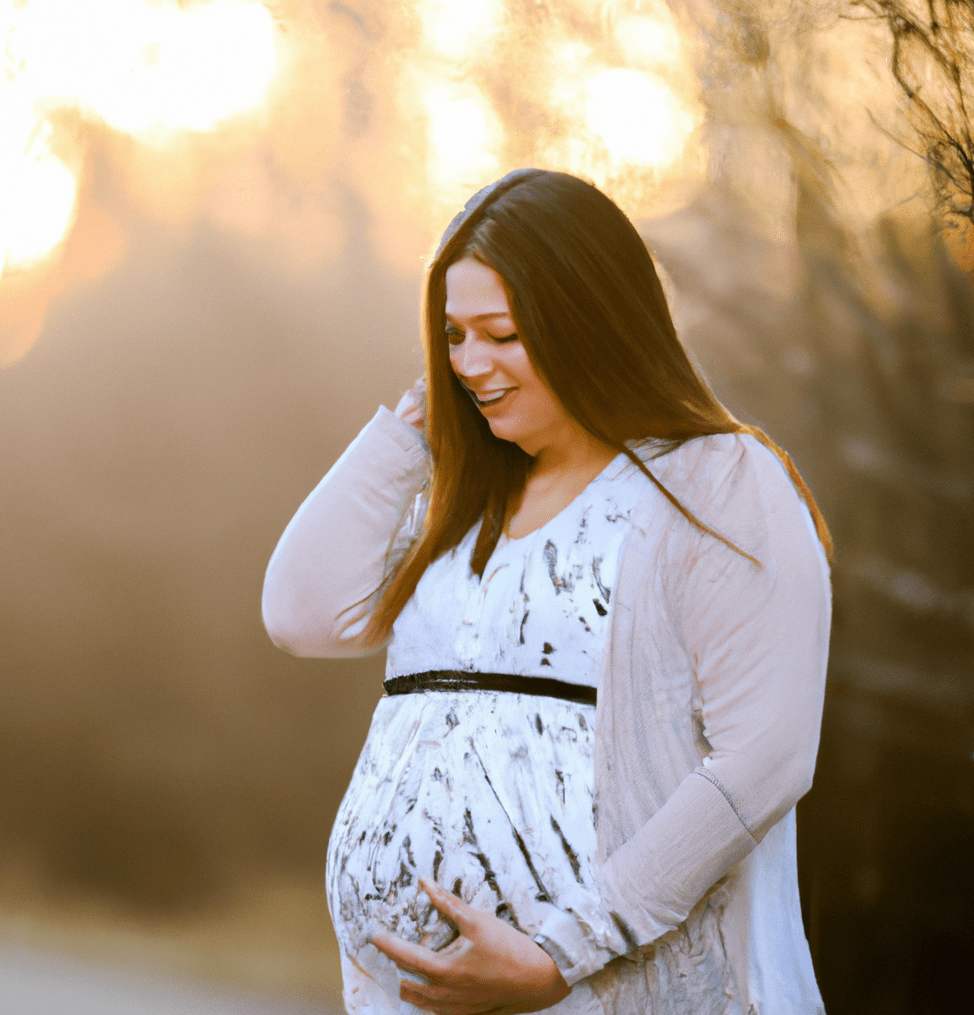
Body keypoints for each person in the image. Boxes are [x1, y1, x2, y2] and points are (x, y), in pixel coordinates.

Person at [262, 169, 833, 1015]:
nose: (468, 364)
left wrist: (564, 953)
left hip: (609, 988)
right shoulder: (462, 501)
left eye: (500, 334)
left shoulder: (716, 483)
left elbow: (766, 758)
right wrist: (414, 429)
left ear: (589, 324)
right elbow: (300, 613)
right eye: (451, 336)